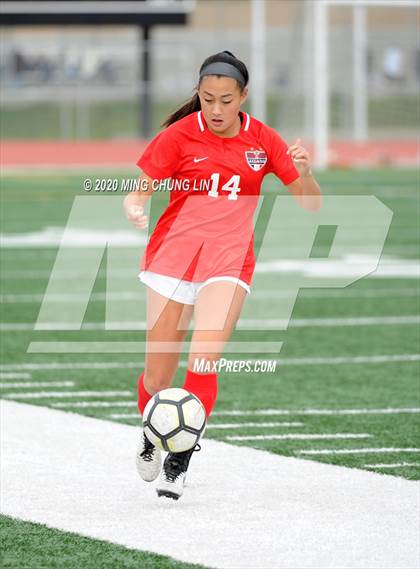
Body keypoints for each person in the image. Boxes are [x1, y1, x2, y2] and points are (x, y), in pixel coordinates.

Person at [124, 50, 321, 500]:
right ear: (198, 94)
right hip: (173, 259)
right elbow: (138, 189)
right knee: (157, 377)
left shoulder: (264, 141)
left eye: (226, 100)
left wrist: (306, 176)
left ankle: (180, 457)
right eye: (208, 98)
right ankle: (152, 430)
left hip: (228, 263)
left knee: (205, 358)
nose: (216, 109)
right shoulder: (178, 136)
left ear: (243, 97)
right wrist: (135, 205)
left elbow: (310, 203)